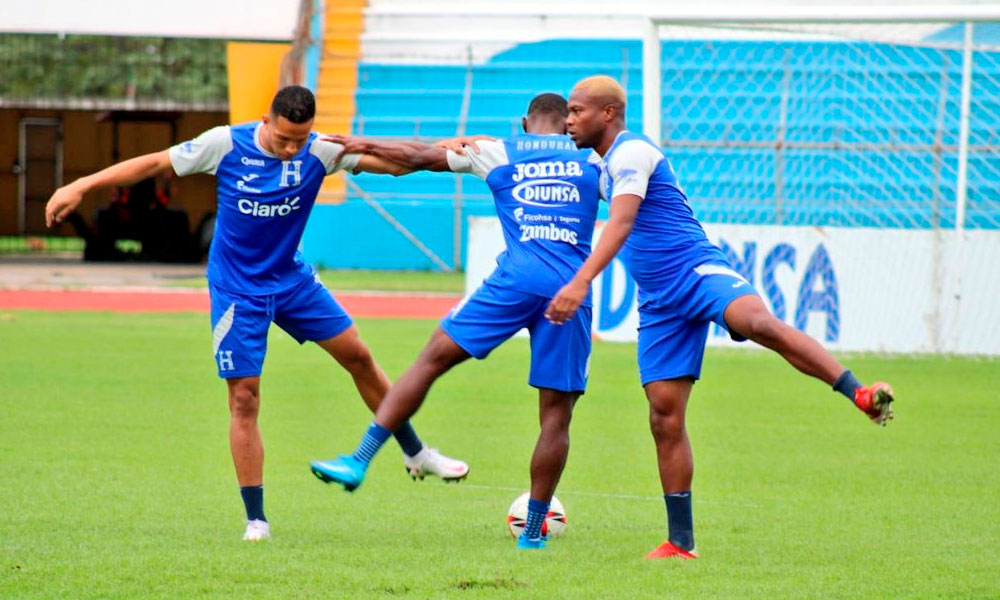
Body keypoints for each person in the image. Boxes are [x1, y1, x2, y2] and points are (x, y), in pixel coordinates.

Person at [45, 85, 469, 542]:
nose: (292, 149)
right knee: (244, 398)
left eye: (300, 140)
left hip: (292, 281)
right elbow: (152, 164)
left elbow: (392, 167)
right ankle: (257, 520)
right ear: (266, 121)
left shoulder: (319, 151)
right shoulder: (224, 144)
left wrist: (446, 151)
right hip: (237, 291)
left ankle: (415, 452)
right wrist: (79, 186)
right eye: (284, 139)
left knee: (359, 356)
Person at [544, 76, 896, 560]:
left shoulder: (632, 154)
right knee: (664, 417)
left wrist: (582, 280)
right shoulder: (598, 164)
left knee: (758, 324)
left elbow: (622, 222)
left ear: (608, 113)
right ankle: (680, 543)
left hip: (697, 268)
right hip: (660, 303)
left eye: (577, 111)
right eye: (567, 112)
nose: (569, 120)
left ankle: (857, 391)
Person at [308, 93, 602, 550]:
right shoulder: (593, 161)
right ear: (569, 124)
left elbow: (417, 156)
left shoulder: (501, 150)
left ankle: (359, 459)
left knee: (431, 360)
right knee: (556, 417)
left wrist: (362, 141)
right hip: (570, 291)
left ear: (524, 123)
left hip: (515, 282)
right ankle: (532, 535)